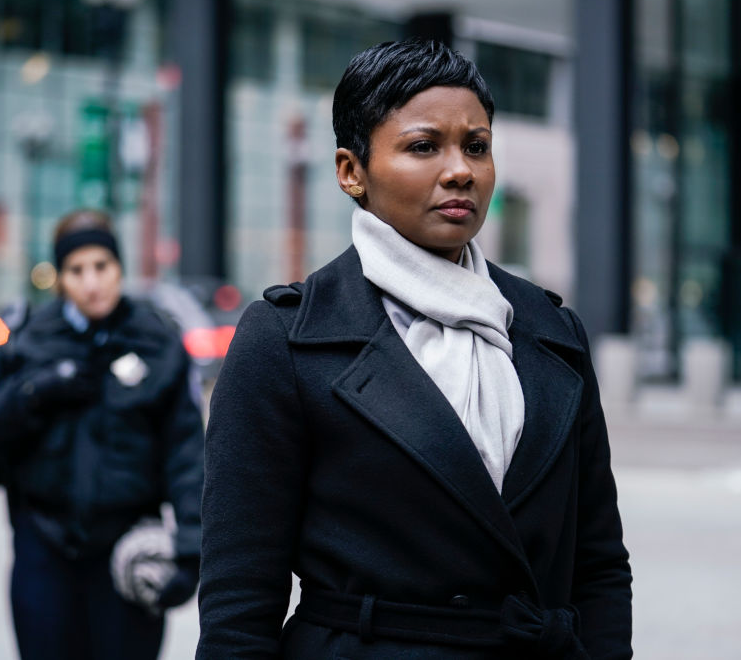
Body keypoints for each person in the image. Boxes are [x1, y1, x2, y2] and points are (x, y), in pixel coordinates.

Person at [197, 39, 633, 659]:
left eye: (476, 146)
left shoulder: (550, 328)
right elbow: (240, 600)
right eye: (424, 146)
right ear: (352, 171)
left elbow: (599, 563)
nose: (460, 170)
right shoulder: (285, 339)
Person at [0, 209, 204, 660]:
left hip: (126, 552)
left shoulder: (157, 341)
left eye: (101, 267)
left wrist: (190, 550)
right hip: (43, 549)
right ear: (60, 277)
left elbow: (187, 455)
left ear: (119, 268)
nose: (91, 282)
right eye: (76, 270)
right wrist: (31, 392)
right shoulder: (27, 339)